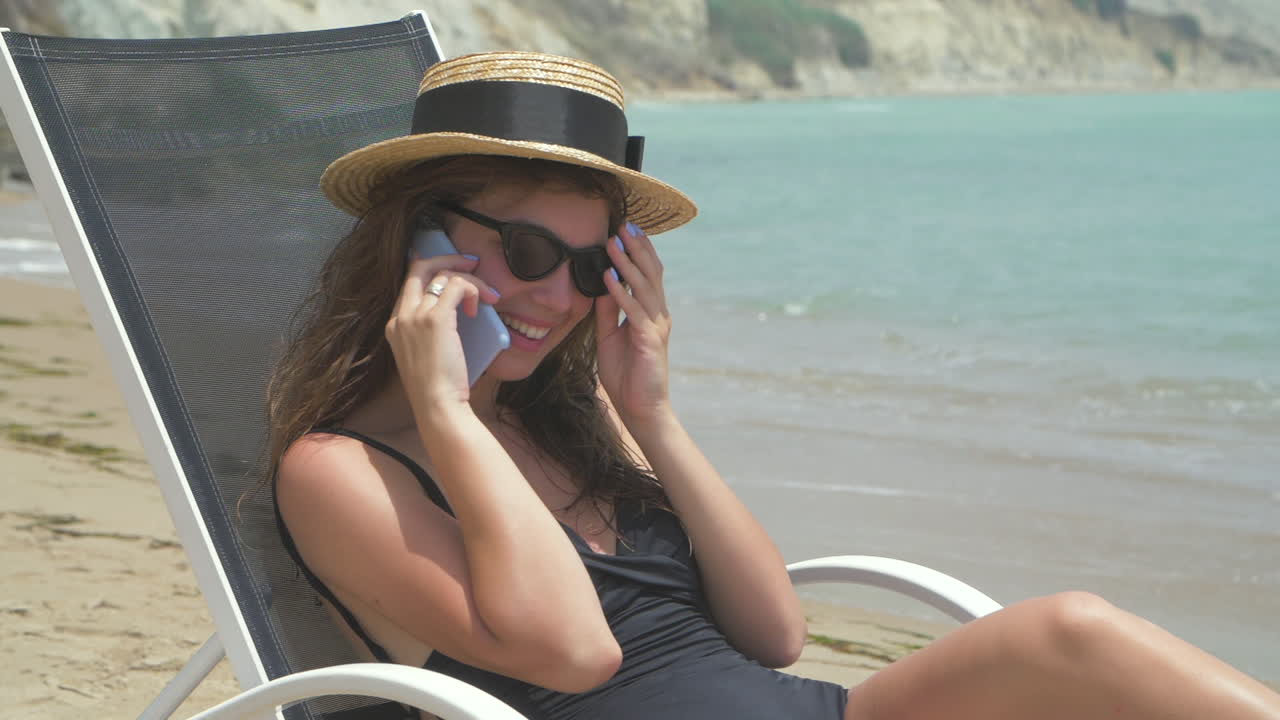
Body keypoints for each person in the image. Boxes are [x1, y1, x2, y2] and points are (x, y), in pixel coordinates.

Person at [268, 51, 1280, 720]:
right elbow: (576, 653)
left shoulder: (568, 421)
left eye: (590, 267)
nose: (561, 296)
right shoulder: (340, 471)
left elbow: (775, 633)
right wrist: (447, 408)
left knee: (1072, 632)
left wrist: (651, 413)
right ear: (421, 240)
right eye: (529, 250)